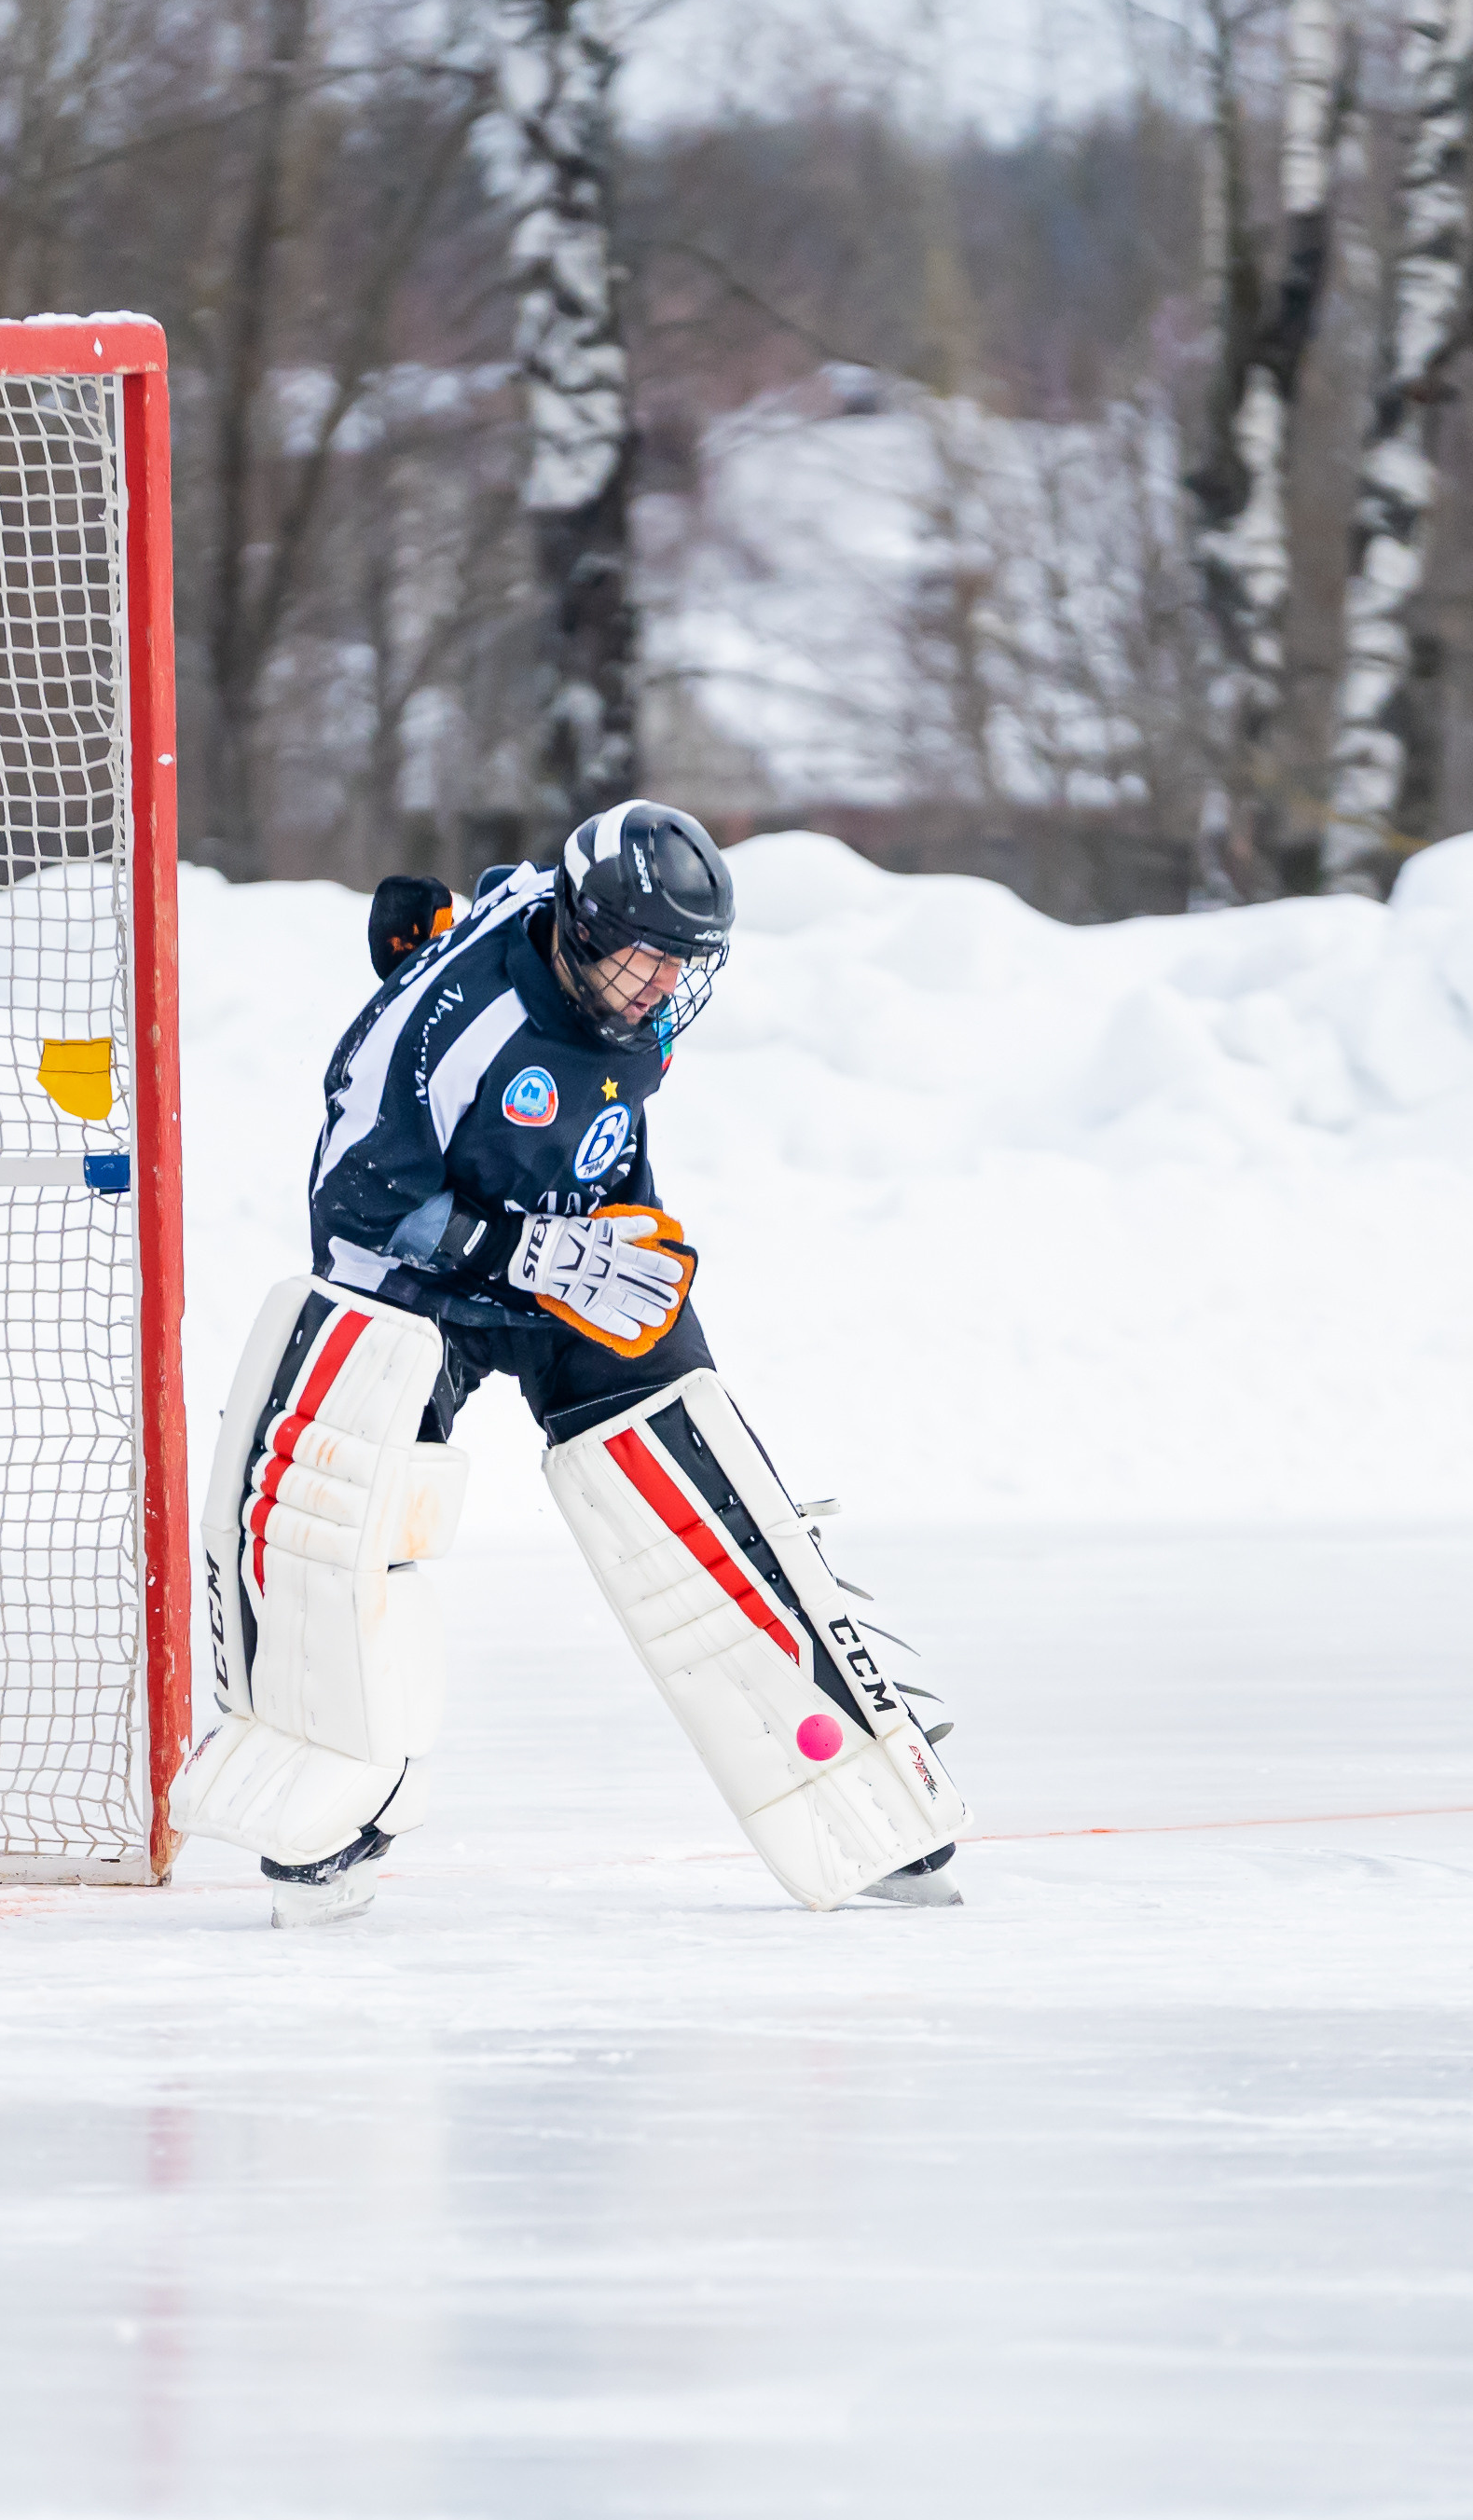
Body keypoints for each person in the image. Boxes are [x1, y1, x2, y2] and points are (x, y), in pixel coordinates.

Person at [170, 803, 969, 1924]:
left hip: (579, 1264)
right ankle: (331, 1805)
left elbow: (505, 894)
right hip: (421, 1286)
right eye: (642, 958)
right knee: (338, 1515)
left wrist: (597, 1235)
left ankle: (850, 1773)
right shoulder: (461, 1022)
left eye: (679, 966)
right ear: (580, 932)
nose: (657, 989)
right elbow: (355, 1191)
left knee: (698, 1485)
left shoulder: (622, 992)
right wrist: (514, 1248)